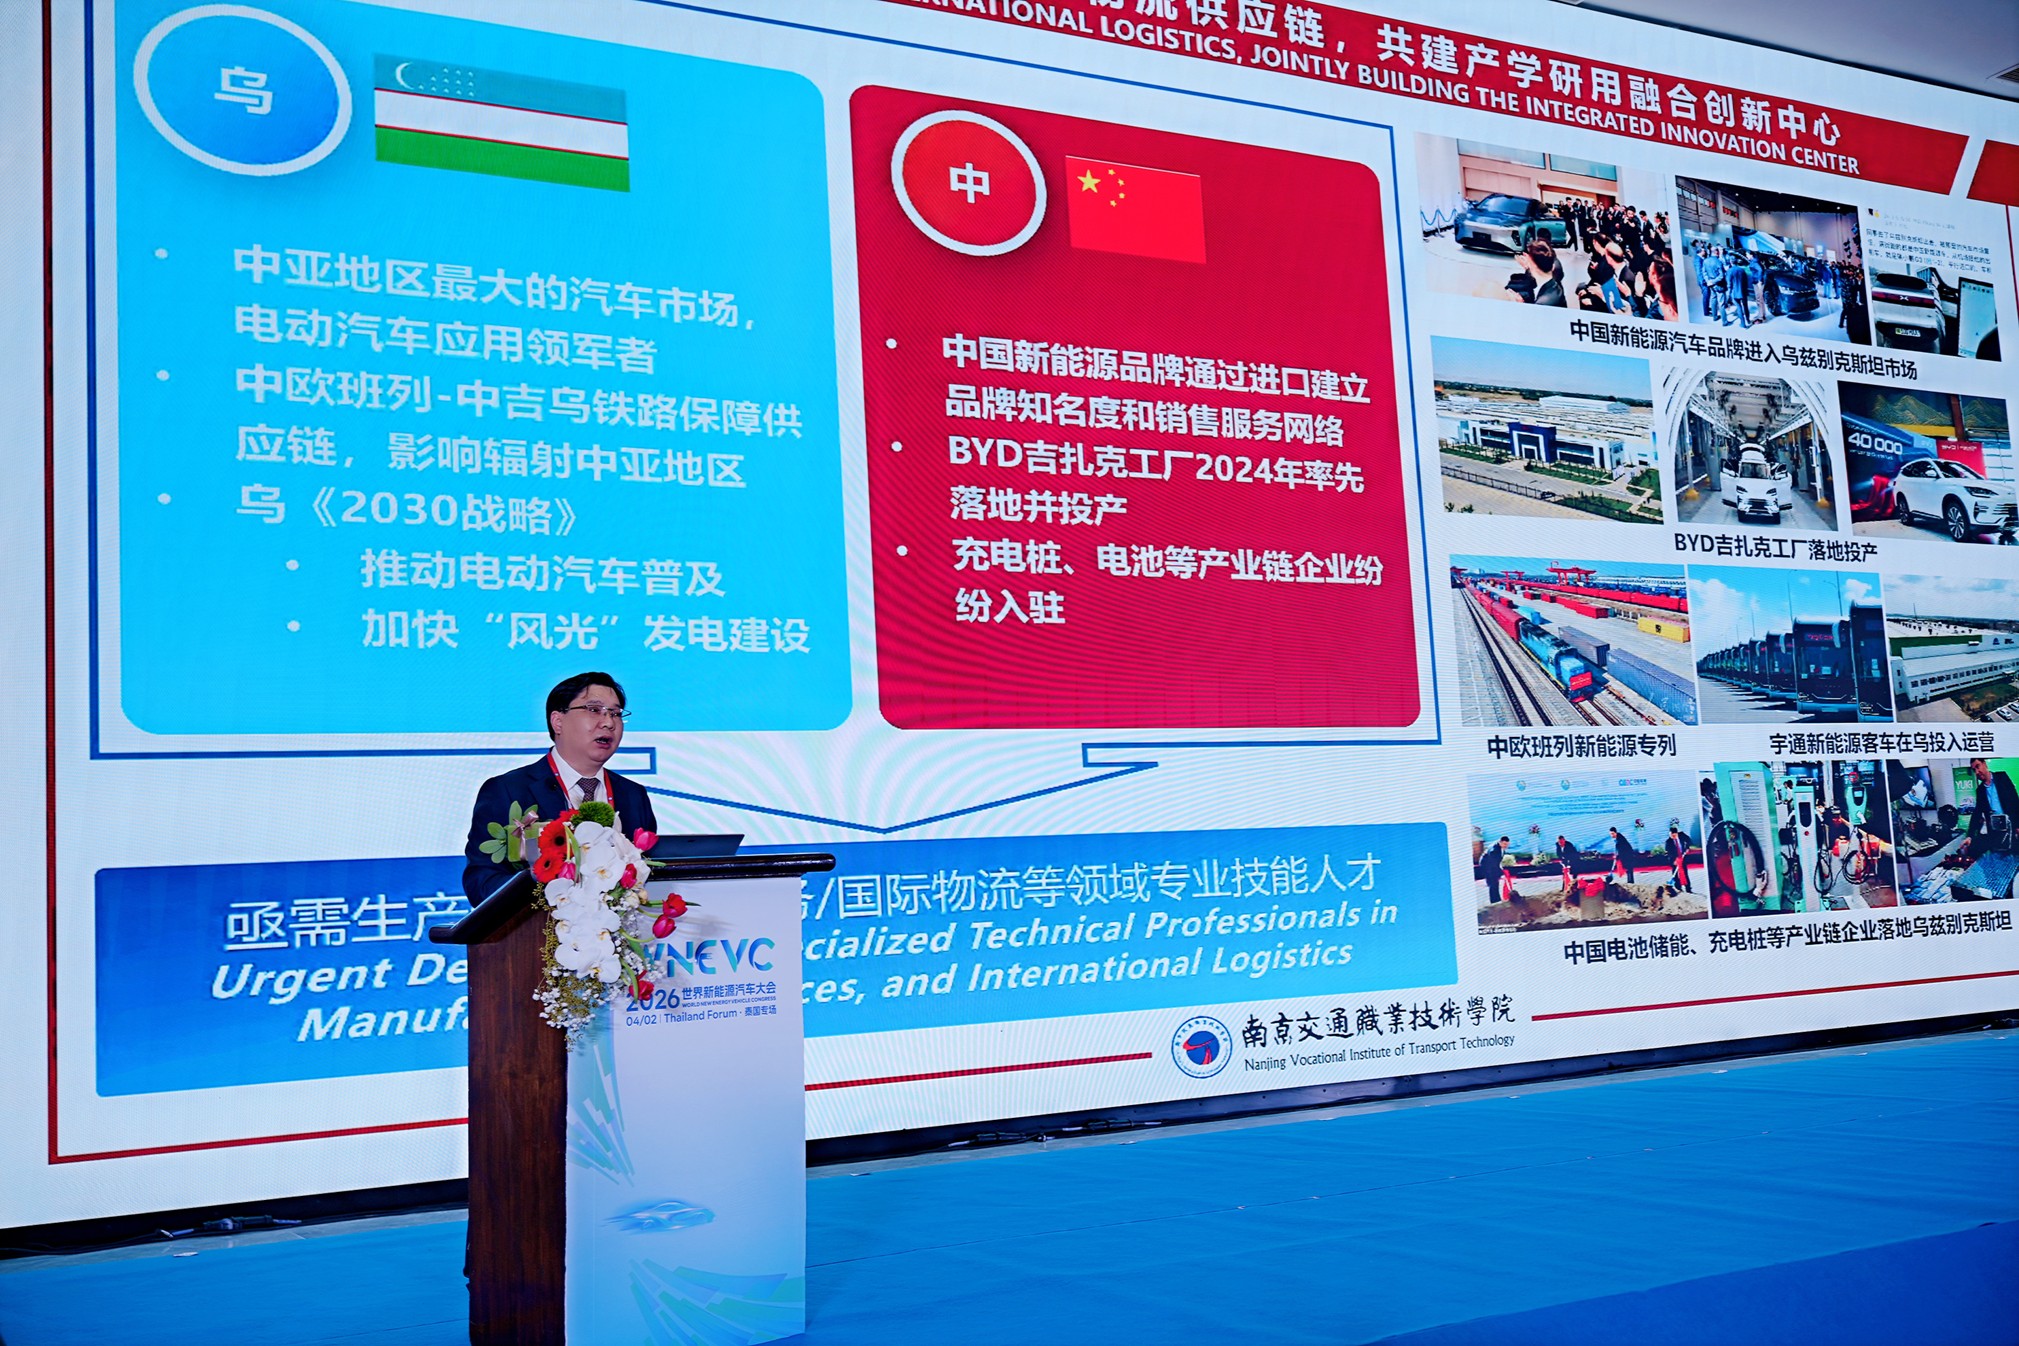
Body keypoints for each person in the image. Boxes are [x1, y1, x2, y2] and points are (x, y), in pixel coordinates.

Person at [461, 671, 661, 905]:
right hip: (541, 926)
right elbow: (481, 883)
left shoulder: (633, 795)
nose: (608, 722)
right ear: (558, 721)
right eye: (594, 710)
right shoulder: (508, 791)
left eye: (615, 713)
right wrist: (547, 891)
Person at [1963, 757, 2019, 861]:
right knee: (1998, 860)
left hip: (2011, 827)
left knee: (2014, 858)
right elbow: (1977, 813)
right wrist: (1969, 836)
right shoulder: (1980, 790)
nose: (1977, 772)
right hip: (1995, 832)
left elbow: (2015, 801)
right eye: (1974, 770)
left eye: (1978, 766)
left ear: (1984, 764)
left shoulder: (2002, 777)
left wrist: (2018, 825)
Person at [1503, 237, 1566, 306]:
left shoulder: (1543, 302)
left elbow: (1534, 312)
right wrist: (1529, 266)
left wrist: (1520, 305)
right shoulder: (1555, 271)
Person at [1481, 836, 1513, 903]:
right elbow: (1493, 864)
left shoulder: (1499, 846)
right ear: (1500, 842)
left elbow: (1497, 862)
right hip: (1487, 866)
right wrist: (1501, 872)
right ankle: (1494, 901)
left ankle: (1497, 899)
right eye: (1504, 844)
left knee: (1495, 882)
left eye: (1507, 844)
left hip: (1491, 865)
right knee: (1493, 883)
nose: (1506, 846)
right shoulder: (1494, 850)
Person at [1665, 825, 1692, 891]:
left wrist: (1687, 848)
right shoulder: (1668, 842)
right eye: (1671, 836)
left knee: (1684, 872)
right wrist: (1674, 860)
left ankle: (1688, 888)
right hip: (1674, 859)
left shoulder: (1682, 836)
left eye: (1674, 835)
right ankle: (1678, 888)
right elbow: (1669, 852)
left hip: (1682, 857)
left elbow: (1689, 840)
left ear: (1677, 833)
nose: (1673, 837)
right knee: (1675, 874)